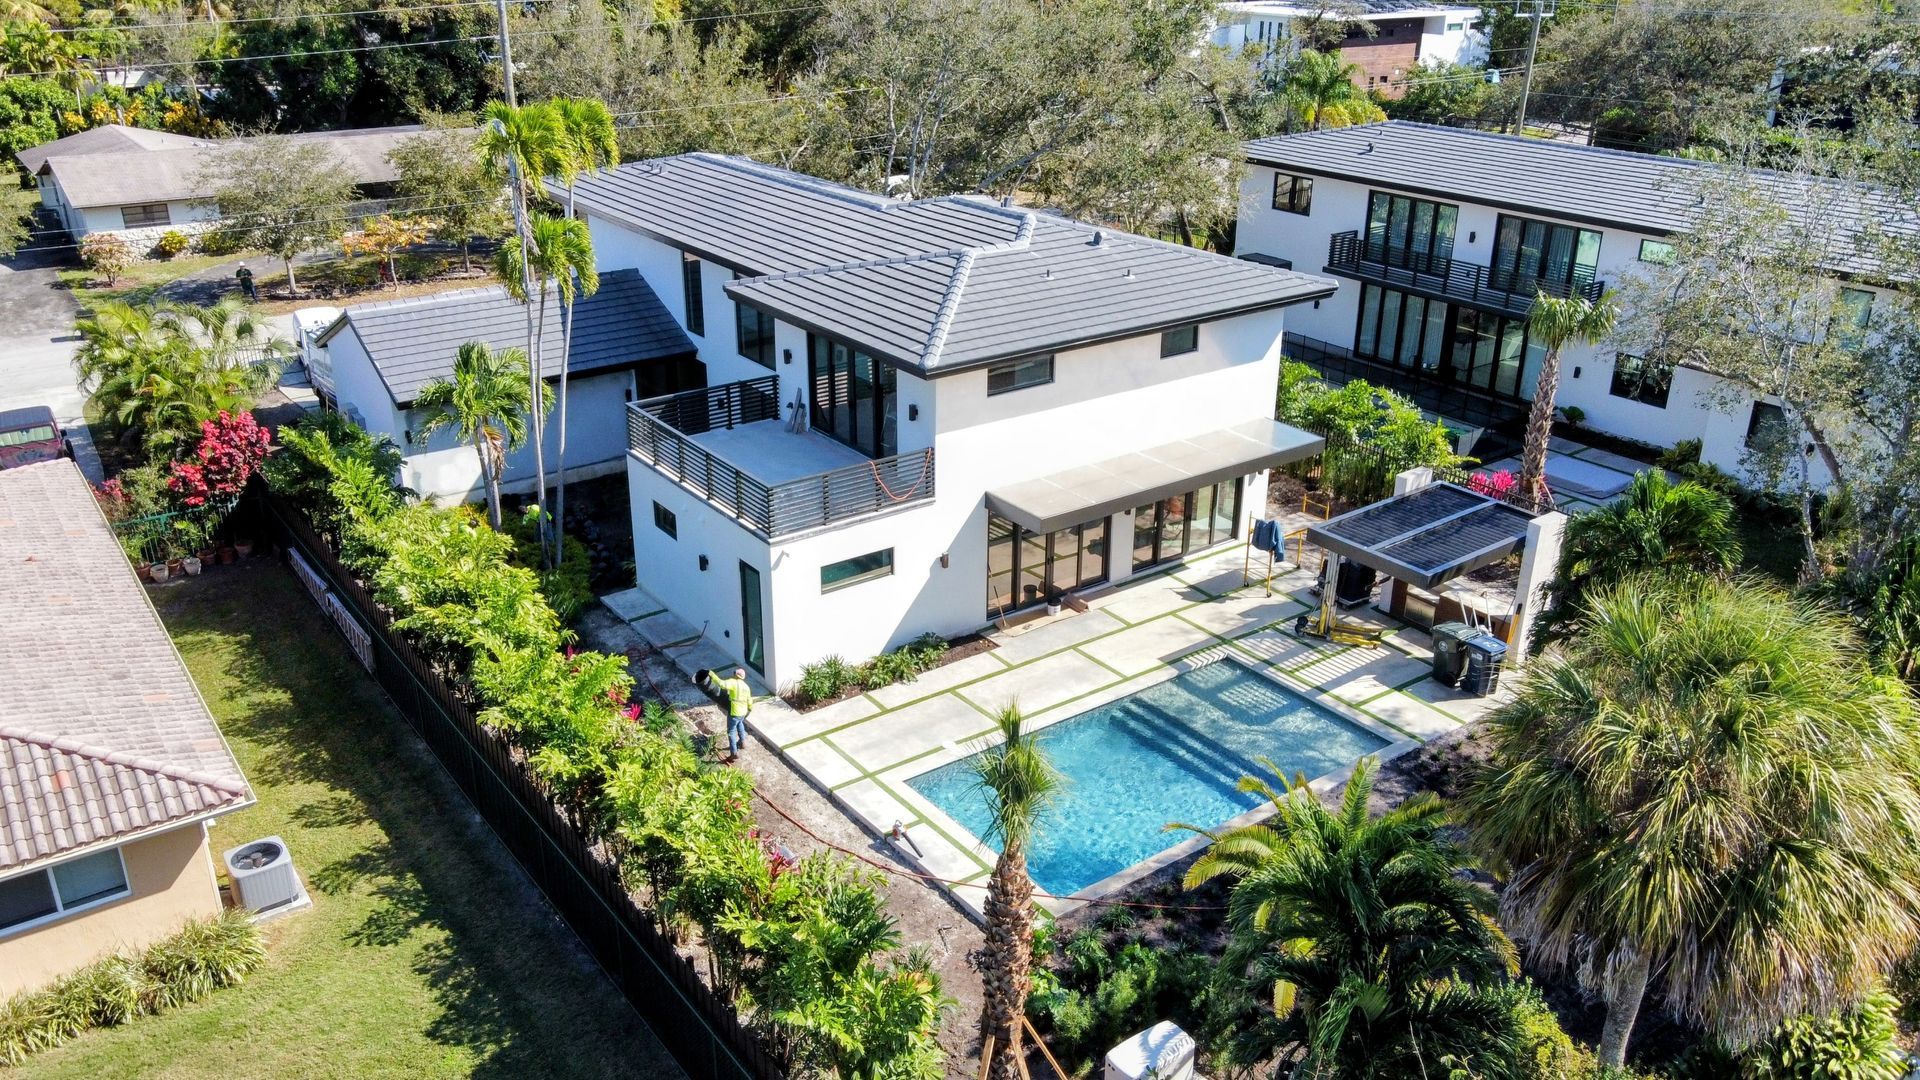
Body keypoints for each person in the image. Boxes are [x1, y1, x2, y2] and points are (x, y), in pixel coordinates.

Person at [713, 667, 753, 762]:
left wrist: (712, 675)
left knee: (731, 732)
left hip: (734, 712)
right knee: (740, 724)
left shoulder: (733, 682)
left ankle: (733, 753)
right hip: (743, 712)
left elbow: (721, 684)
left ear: (736, 675)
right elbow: (749, 700)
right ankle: (742, 742)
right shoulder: (746, 687)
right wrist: (750, 708)